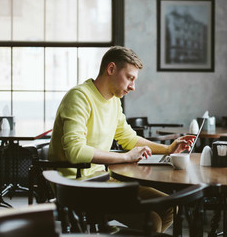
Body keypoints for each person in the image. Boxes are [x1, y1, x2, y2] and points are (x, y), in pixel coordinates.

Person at [48, 46, 196, 233]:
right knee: (151, 220)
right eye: (130, 78)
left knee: (169, 207)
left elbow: (129, 139)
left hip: (102, 179)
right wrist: (126, 158)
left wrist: (168, 149)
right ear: (111, 69)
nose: (133, 86)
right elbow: (76, 152)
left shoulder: (114, 102)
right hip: (78, 186)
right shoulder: (79, 97)